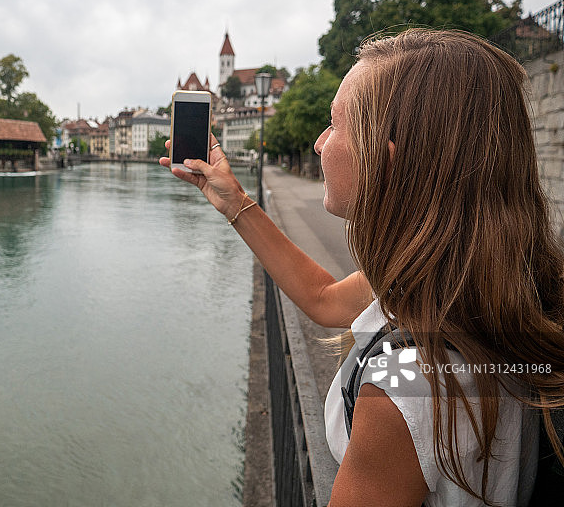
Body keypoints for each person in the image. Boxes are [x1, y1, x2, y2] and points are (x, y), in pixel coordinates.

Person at [160, 29, 564, 506]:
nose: (317, 143)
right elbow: (325, 298)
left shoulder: (406, 386)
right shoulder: (482, 278)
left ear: (383, 163)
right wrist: (236, 203)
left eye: (333, 125)